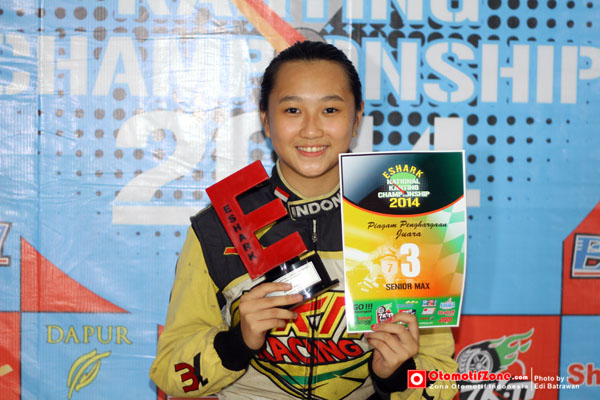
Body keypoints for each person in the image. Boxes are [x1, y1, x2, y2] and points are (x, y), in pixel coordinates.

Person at [150, 40, 458, 399]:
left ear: (356, 119)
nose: (311, 130)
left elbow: (443, 381)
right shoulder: (219, 227)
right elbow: (171, 374)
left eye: (330, 109)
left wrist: (397, 375)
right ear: (266, 120)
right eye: (293, 110)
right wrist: (237, 342)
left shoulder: (405, 221)